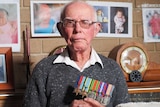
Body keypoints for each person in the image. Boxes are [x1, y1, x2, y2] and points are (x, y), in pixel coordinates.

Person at [23, 1, 129, 107]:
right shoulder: (43, 70)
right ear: (61, 29)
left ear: (96, 29)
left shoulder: (113, 69)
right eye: (70, 22)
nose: (77, 29)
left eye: (85, 22)